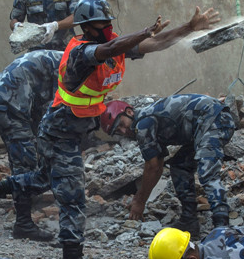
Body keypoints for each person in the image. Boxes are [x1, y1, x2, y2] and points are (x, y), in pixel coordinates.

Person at [0, 0, 220, 259]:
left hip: (67, 130)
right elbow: (110, 48)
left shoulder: (115, 47)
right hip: (60, 130)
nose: (106, 26)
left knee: (42, 179)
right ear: (86, 27)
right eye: (101, 22)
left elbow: (156, 43)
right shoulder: (81, 52)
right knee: (73, 197)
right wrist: (142, 32)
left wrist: (188, 26)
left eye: (107, 21)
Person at [101, 94, 236, 237]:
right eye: (117, 131)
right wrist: (140, 198)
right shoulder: (144, 121)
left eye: (121, 124)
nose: (123, 131)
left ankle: (222, 229)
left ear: (129, 112)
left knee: (207, 171)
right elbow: (157, 164)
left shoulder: (142, 123)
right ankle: (189, 220)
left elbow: (153, 167)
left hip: (214, 119)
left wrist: (140, 201)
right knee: (179, 165)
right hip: (203, 125)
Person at [0, 49, 63, 241]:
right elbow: (55, 110)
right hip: (10, 105)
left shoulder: (65, 58)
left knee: (27, 160)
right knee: (25, 164)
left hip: (11, 103)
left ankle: (23, 217)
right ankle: (23, 223)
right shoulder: (72, 65)